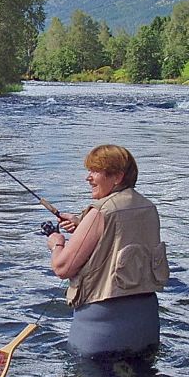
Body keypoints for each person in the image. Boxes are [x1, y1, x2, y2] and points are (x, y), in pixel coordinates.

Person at [45, 144, 169, 358]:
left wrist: (56, 243)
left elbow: (62, 267)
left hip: (102, 327)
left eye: (95, 171)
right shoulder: (149, 207)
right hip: (146, 323)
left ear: (117, 177)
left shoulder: (100, 212)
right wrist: (80, 223)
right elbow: (120, 239)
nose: (88, 178)